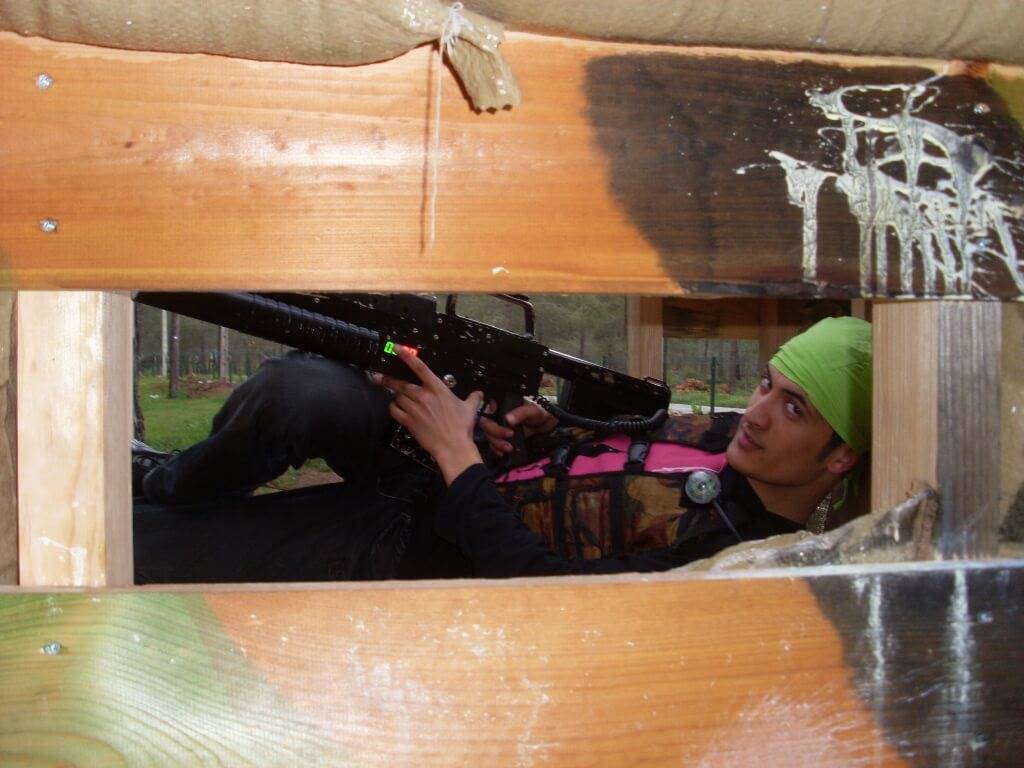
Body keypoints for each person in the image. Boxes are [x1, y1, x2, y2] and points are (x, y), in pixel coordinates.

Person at [132, 316, 871, 582]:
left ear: (840, 458)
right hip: (446, 470)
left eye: (795, 408)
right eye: (769, 384)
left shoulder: (740, 559)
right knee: (301, 393)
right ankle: (158, 474)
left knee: (149, 548)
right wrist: (543, 430)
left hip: (417, 550)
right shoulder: (722, 434)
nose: (758, 413)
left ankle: (145, 506)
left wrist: (458, 459)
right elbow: (618, 460)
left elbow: (551, 593)